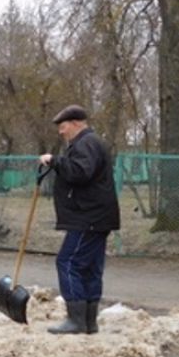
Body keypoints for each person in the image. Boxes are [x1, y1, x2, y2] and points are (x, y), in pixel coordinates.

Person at [38, 104, 120, 334]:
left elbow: (80, 172)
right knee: (90, 267)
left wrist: (54, 161)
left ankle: (76, 320)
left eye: (63, 127)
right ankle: (89, 322)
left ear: (75, 123)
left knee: (68, 262)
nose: (60, 132)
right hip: (96, 215)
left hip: (88, 217)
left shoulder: (86, 143)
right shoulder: (90, 143)